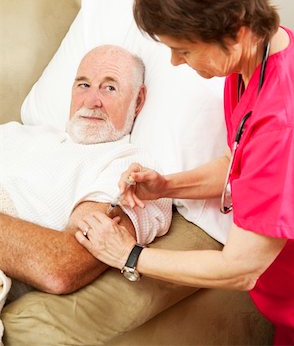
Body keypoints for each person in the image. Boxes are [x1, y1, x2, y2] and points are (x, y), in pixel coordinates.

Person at [75, 0, 294, 346]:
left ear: (235, 30)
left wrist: (130, 255)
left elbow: (240, 268)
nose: (176, 63)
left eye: (185, 49)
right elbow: (245, 165)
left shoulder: (282, 120)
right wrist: (167, 185)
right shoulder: (260, 62)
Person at [0, 44, 172, 299]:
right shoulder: (17, 132)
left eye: (110, 87)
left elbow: (61, 265)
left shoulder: (128, 166)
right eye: (83, 85)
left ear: (138, 101)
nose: (92, 101)